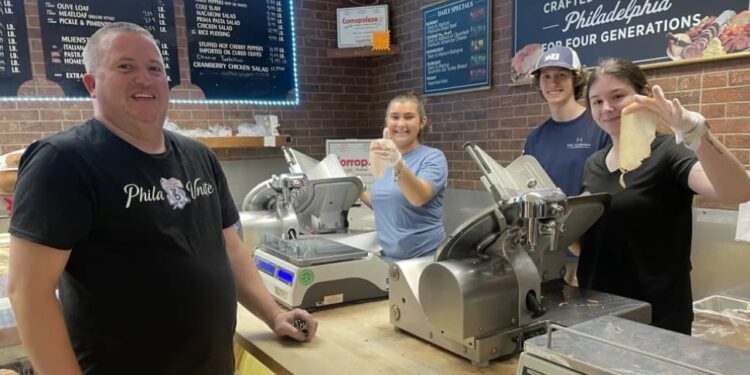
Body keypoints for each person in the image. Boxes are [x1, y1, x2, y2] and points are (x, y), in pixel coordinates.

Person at [7, 22, 317, 375]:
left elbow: (230, 249)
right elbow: (29, 293)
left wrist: (274, 315)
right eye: (125, 67)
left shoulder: (199, 157)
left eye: (154, 68)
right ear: (91, 84)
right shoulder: (62, 162)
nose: (145, 78)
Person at [578, 57, 750, 334]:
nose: (606, 108)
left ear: (644, 96)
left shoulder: (670, 151)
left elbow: (738, 192)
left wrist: (694, 132)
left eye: (617, 96)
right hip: (599, 310)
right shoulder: (593, 164)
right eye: (596, 101)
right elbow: (589, 239)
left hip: (657, 316)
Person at [523, 46, 610, 285]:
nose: (553, 82)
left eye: (561, 75)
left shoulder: (600, 128)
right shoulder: (535, 138)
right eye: (546, 76)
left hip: (589, 254)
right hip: (546, 253)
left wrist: (573, 237)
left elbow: (607, 192)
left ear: (576, 79)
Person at [360, 93, 448, 260]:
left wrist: (398, 163)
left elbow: (419, 197)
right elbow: (386, 202)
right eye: (395, 117)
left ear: (422, 122)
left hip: (425, 260)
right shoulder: (382, 157)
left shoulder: (433, 157)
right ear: (387, 121)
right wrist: (356, 187)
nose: (401, 124)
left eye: (408, 117)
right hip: (389, 260)